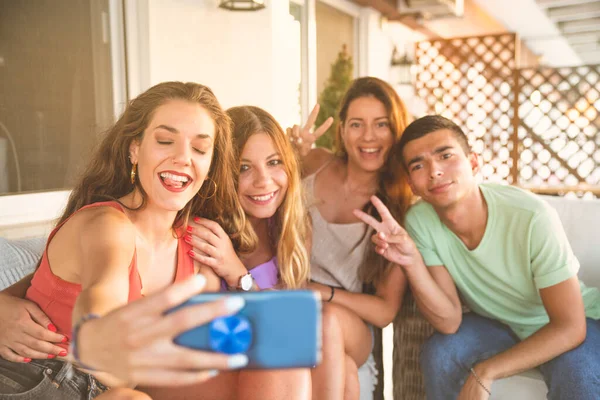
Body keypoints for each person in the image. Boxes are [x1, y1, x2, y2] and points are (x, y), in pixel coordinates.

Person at [0, 81, 257, 399]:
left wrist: (238, 274)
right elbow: (103, 287)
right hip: (35, 379)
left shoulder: (199, 245)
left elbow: (260, 334)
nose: (182, 157)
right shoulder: (107, 224)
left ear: (209, 167)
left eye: (200, 149)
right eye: (165, 141)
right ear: (134, 149)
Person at [355, 115, 600, 400]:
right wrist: (412, 262)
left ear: (473, 162)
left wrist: (487, 372)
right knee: (440, 353)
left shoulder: (532, 217)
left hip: (570, 322)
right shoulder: (420, 221)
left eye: (445, 155)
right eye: (419, 165)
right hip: (500, 324)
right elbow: (449, 321)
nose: (434, 171)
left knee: (578, 376)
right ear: (411, 183)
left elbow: (571, 328)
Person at [178, 105, 352, 400]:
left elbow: (287, 322)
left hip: (273, 360)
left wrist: (240, 276)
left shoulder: (291, 226)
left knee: (340, 353)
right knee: (326, 326)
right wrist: (237, 275)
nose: (264, 181)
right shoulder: (210, 234)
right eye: (244, 168)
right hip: (223, 364)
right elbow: (211, 338)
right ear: (223, 174)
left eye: (274, 162)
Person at [288, 77, 412, 398]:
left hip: (347, 321)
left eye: (381, 125)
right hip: (291, 299)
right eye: (357, 124)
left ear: (396, 130)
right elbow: (264, 189)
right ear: (342, 131)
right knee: (342, 375)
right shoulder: (314, 164)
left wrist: (320, 293)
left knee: (327, 322)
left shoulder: (400, 206)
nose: (368, 136)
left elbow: (385, 311)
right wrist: (289, 151)